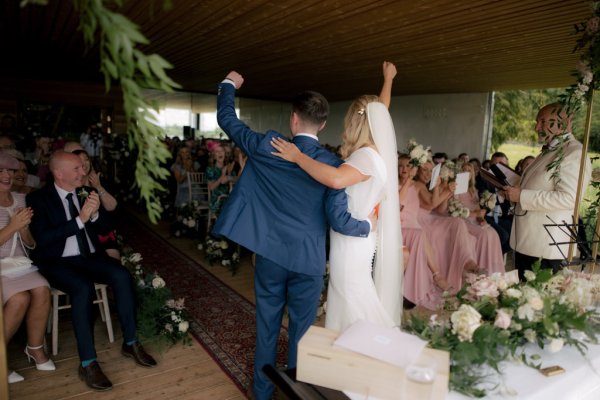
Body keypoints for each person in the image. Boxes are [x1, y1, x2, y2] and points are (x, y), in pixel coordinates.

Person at [214, 71, 372, 400]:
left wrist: (229, 84)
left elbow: (226, 118)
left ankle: (262, 393)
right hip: (308, 258)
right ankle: (298, 394)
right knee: (303, 333)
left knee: (267, 327)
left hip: (270, 254)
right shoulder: (332, 165)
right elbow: (340, 220)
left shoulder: (266, 145)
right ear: (323, 125)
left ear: (294, 119)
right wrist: (369, 226)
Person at [271, 61, 402, 330]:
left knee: (352, 297)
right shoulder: (376, 150)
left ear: (355, 121)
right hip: (356, 239)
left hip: (352, 241)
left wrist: (298, 157)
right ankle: (353, 352)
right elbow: (380, 112)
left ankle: (372, 349)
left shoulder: (365, 156)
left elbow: (335, 178)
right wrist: (388, 80)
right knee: (351, 295)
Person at [26, 151, 156, 392]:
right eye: (76, 169)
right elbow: (44, 239)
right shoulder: (38, 199)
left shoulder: (85, 192)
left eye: (82, 167)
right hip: (57, 261)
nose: (83, 172)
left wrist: (94, 215)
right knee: (82, 288)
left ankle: (131, 342)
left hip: (88, 256)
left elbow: (107, 227)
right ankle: (88, 362)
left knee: (122, 275)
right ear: (58, 173)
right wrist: (80, 219)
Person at [503, 103, 591, 279]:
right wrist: (512, 192)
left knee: (541, 301)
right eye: (538, 122)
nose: (537, 127)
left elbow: (569, 199)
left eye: (543, 122)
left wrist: (521, 196)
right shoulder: (549, 151)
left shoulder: (573, 153)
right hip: (527, 240)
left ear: (564, 123)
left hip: (547, 246)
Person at [0, 152, 54, 384]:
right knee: (19, 298)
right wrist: (13, 226)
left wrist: (23, 230)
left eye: (11, 171)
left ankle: (35, 348)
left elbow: (30, 244)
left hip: (20, 263)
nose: (7, 175)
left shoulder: (20, 199)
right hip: (1, 268)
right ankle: (0, 359)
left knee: (42, 289)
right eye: (1, 171)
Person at [398, 154, 446, 310]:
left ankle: (412, 290)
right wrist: (407, 181)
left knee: (420, 233)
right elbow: (398, 204)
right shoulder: (393, 184)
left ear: (413, 167)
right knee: (420, 234)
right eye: (400, 165)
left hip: (414, 227)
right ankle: (436, 275)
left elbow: (432, 204)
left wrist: (438, 186)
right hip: (399, 227)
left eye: (407, 165)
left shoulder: (418, 186)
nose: (404, 169)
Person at [72, 149, 120, 259]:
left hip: (103, 231)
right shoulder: (71, 185)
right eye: (80, 160)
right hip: (83, 231)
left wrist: (98, 186)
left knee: (114, 264)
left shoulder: (99, 180)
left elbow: (112, 206)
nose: (84, 163)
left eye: (86, 159)